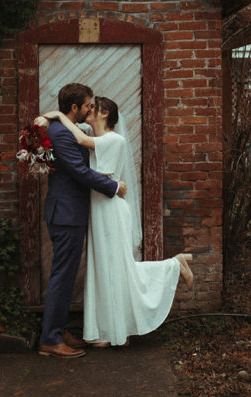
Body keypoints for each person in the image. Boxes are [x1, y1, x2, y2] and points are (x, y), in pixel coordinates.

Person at [38, 96, 193, 348]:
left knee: (120, 268)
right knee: (106, 270)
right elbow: (78, 133)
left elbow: (80, 139)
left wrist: (56, 115)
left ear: (104, 113)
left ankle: (173, 266)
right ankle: (112, 329)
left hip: (111, 210)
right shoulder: (95, 135)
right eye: (86, 105)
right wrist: (46, 118)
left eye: (93, 106)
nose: (89, 109)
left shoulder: (113, 139)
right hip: (98, 212)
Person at [38, 83, 127, 359]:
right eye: (88, 104)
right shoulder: (62, 134)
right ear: (75, 108)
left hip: (70, 213)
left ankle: (59, 330)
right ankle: (51, 340)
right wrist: (113, 188)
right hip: (66, 215)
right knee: (62, 277)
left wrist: (50, 115)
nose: (91, 108)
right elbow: (79, 172)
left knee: (65, 276)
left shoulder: (66, 129)